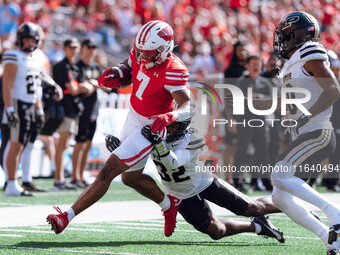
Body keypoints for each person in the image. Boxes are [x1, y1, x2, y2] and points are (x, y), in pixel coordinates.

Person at [46, 20, 191, 237]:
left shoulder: (174, 70)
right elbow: (130, 68)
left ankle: (66, 215)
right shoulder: (143, 51)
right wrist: (117, 73)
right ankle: (170, 206)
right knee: (130, 178)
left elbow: (190, 105)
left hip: (150, 127)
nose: (142, 58)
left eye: (148, 54)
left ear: (164, 50)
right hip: (133, 116)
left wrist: (170, 115)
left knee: (108, 170)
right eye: (140, 51)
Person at [105, 119, 285, 243]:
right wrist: (119, 149)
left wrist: (158, 143)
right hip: (180, 193)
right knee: (216, 232)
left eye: (175, 126)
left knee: (251, 208)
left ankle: (297, 205)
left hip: (204, 183)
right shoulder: (153, 133)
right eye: (169, 125)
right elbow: (133, 153)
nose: (171, 129)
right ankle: (257, 227)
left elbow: (173, 162)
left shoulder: (192, 138)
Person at [252, 11, 340, 254]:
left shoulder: (309, 51)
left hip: (318, 132)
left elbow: (333, 89)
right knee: (280, 198)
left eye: (285, 34)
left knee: (279, 176)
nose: (280, 39)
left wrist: (306, 115)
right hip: (305, 134)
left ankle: (335, 213)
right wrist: (262, 104)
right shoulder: (292, 62)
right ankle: (329, 237)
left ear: (297, 34)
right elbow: (291, 101)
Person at [2, 22, 46, 196]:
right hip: (18, 104)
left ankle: (18, 181)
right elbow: (7, 86)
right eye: (26, 40)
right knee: (15, 145)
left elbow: (35, 87)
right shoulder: (13, 56)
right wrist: (10, 110)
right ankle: (11, 183)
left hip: (29, 104)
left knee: (23, 144)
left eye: (32, 40)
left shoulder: (36, 58)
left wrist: (39, 108)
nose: (29, 43)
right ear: (20, 40)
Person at [52, 37, 94, 190]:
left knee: (66, 145)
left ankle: (63, 179)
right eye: (71, 47)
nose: (74, 50)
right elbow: (74, 89)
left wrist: (83, 87)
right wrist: (85, 87)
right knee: (62, 145)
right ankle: (59, 180)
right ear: (64, 48)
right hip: (64, 109)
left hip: (73, 110)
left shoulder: (73, 66)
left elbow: (79, 87)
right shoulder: (62, 66)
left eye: (76, 47)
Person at [71, 38, 110, 188]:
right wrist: (94, 85)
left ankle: (81, 175)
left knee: (88, 144)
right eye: (89, 47)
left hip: (94, 108)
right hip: (80, 109)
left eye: (94, 47)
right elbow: (80, 87)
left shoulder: (96, 67)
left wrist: (95, 84)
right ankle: (75, 176)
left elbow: (108, 86)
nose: (92, 50)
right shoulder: (78, 66)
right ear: (83, 48)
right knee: (79, 143)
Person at [232, 54, 272, 192]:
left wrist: (262, 99)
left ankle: (258, 181)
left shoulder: (265, 83)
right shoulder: (242, 82)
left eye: (258, 63)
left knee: (262, 153)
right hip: (245, 121)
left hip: (261, 121)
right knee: (242, 152)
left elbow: (271, 102)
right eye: (253, 64)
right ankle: (237, 181)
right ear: (247, 65)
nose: (256, 66)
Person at [222, 41, 248, 190]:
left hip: (247, 113)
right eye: (240, 50)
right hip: (233, 111)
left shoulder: (249, 68)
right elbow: (226, 94)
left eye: (244, 49)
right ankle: (229, 178)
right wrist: (229, 117)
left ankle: (240, 178)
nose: (242, 52)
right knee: (231, 145)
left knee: (242, 146)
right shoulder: (230, 71)